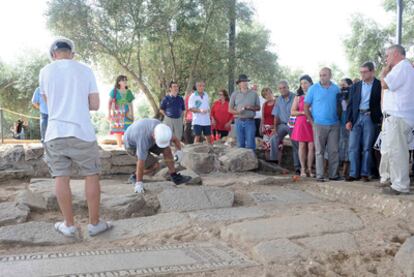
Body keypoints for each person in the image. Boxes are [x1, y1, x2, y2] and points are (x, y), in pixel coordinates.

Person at [40, 37, 111, 237]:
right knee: (91, 175)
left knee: (61, 177)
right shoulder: (85, 70)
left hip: (55, 132)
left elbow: (46, 102)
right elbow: (95, 104)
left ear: (54, 54)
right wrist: (78, 101)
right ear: (72, 53)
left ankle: (69, 225)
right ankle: (95, 224)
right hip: (82, 132)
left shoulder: (45, 71)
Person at [380, 45, 414, 195]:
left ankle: (400, 185)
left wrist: (383, 73)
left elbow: (385, 84)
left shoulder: (402, 67)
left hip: (398, 117)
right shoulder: (403, 68)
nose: (386, 59)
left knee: (397, 152)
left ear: (395, 54)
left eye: (387, 55)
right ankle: (395, 182)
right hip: (396, 116)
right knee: (393, 151)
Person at [124, 119, 192, 193]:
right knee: (155, 166)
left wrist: (179, 152)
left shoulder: (164, 130)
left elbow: (175, 140)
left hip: (150, 138)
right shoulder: (143, 138)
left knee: (167, 150)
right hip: (132, 145)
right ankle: (135, 176)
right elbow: (141, 161)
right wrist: (139, 183)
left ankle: (174, 176)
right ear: (154, 136)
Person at [346, 62, 382, 182]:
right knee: (353, 147)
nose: (362, 74)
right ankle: (353, 173)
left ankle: (365, 174)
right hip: (356, 118)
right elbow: (350, 105)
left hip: (370, 118)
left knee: (367, 147)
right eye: (361, 72)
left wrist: (377, 115)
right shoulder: (355, 86)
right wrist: (348, 120)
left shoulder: (379, 85)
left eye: (365, 72)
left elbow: (382, 103)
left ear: (372, 72)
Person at [304, 67, 341, 182]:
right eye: (320, 75)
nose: (322, 77)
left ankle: (333, 175)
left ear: (330, 76)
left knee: (333, 150)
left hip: (334, 124)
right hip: (319, 124)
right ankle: (320, 175)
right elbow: (306, 107)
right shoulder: (313, 88)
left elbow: (340, 105)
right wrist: (312, 122)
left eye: (324, 75)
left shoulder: (336, 89)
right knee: (319, 151)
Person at [269, 80, 301, 175]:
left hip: (294, 123)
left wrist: (292, 124)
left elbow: (298, 112)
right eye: (280, 88)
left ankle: (297, 167)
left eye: (284, 87)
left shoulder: (295, 97)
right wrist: (275, 128)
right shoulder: (278, 100)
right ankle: (274, 163)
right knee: (274, 138)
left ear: (288, 87)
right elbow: (276, 115)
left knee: (296, 144)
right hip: (282, 124)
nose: (282, 90)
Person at [291, 75, 315, 177]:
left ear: (310, 83)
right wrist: (304, 112)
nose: (303, 85)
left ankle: (310, 169)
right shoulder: (298, 97)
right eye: (301, 83)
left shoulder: (315, 95)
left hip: (312, 122)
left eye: (305, 83)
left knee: (311, 146)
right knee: (301, 146)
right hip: (301, 122)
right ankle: (303, 169)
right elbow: (292, 112)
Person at [229, 74, 260, 150]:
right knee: (240, 144)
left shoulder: (254, 94)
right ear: (239, 83)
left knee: (250, 144)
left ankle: (252, 161)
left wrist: (251, 107)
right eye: (242, 81)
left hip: (250, 121)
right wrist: (237, 112)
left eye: (245, 81)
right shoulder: (234, 94)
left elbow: (258, 108)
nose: (244, 83)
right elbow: (229, 110)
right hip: (238, 121)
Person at [108, 75, 135, 148]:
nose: (125, 82)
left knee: (128, 128)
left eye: (126, 80)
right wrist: (109, 114)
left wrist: (132, 114)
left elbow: (131, 104)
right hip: (117, 113)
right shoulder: (114, 91)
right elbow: (109, 103)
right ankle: (119, 145)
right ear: (119, 82)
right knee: (118, 129)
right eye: (123, 80)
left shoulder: (129, 92)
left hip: (127, 113)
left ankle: (127, 145)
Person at [338, 78, 353, 178]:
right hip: (340, 123)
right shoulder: (339, 97)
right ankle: (340, 170)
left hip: (350, 123)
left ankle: (346, 171)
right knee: (341, 146)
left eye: (344, 84)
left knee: (349, 146)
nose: (342, 86)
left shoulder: (352, 95)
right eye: (341, 85)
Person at [259, 87, 276, 160]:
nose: (268, 95)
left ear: (272, 93)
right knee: (266, 147)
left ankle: (277, 165)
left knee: (276, 147)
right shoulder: (264, 104)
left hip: (274, 128)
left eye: (269, 93)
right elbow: (263, 117)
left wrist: (274, 127)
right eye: (266, 95)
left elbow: (279, 117)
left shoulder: (277, 103)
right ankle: (269, 164)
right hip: (266, 128)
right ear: (264, 96)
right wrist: (260, 127)